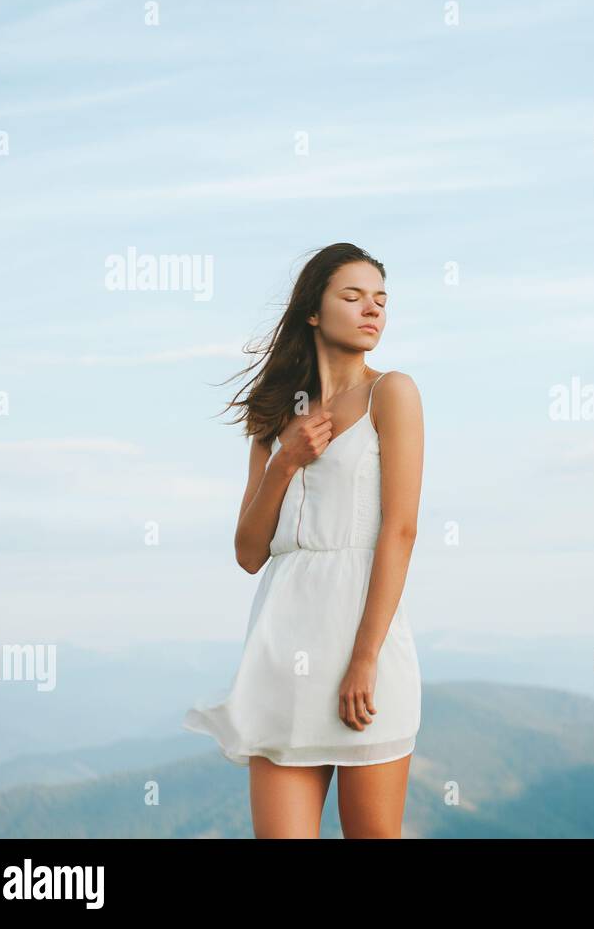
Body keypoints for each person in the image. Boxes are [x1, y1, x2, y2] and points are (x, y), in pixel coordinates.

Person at [183, 242, 423, 838]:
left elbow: (400, 529)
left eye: (381, 300)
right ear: (313, 311)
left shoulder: (391, 392)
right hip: (282, 644)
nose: (372, 309)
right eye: (353, 296)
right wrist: (284, 461)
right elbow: (247, 553)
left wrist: (364, 659)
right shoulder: (273, 416)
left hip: (363, 644)